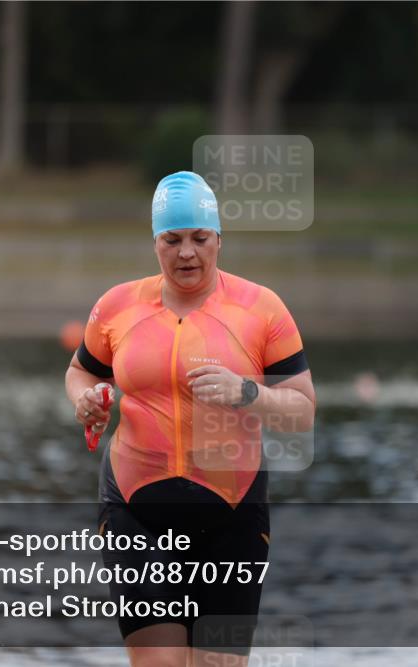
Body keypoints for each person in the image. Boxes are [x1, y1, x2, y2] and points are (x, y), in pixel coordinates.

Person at [64, 171, 316, 667]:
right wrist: (86, 399)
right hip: (134, 509)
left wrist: (247, 393)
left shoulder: (261, 309)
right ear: (154, 242)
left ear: (219, 238)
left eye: (199, 238)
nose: (186, 253)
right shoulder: (117, 306)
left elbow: (303, 411)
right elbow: (79, 372)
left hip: (232, 512)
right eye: (171, 239)